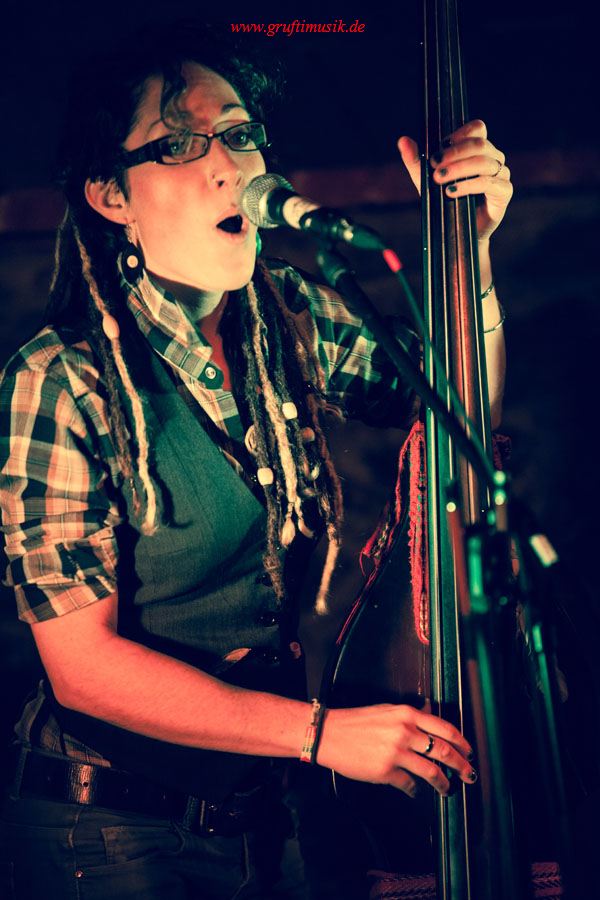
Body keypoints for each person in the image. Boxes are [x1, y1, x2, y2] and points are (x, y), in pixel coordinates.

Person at [0, 22, 512, 900]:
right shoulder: (61, 379)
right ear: (111, 195)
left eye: (239, 134)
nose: (227, 165)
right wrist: (320, 734)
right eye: (179, 145)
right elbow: (82, 669)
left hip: (264, 818)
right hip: (111, 831)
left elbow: (459, 415)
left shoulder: (290, 317)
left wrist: (474, 250)